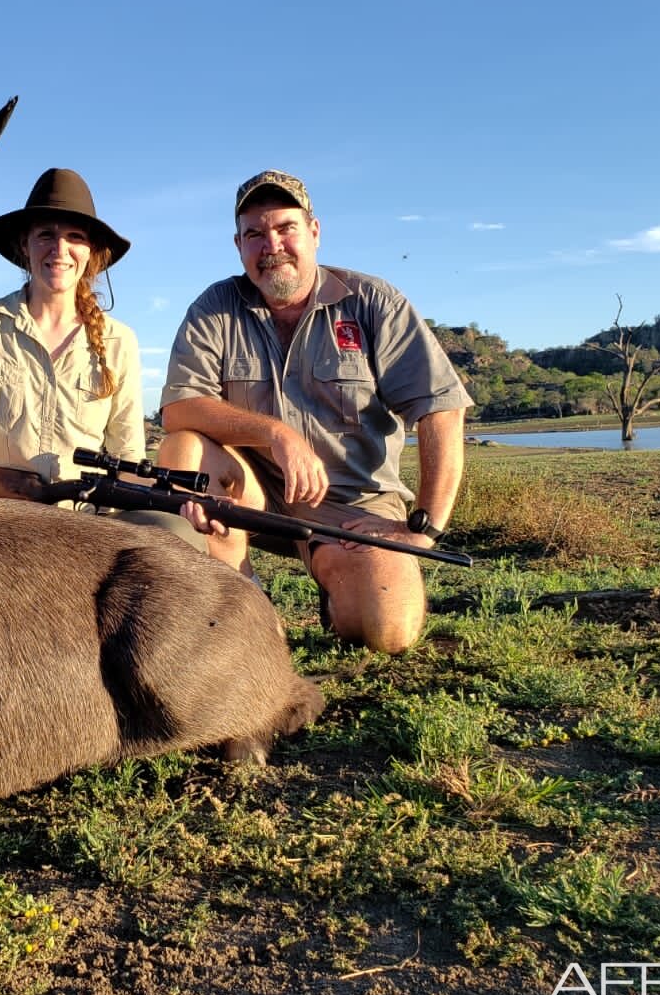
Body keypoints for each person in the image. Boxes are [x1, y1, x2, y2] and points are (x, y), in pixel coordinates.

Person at [157, 170, 472, 653]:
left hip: (352, 506)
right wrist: (277, 435)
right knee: (182, 450)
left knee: (385, 630)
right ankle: (244, 600)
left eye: (286, 228)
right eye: (256, 234)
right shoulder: (215, 305)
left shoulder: (373, 302)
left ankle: (339, 593)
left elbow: (441, 410)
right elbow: (179, 410)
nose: (272, 245)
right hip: (254, 495)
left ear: (314, 232)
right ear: (238, 244)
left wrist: (424, 527)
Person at [0, 167, 169, 520]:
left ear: (91, 253)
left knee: (179, 531)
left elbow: (127, 454)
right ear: (24, 246)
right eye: (46, 235)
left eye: (75, 237)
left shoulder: (120, 340)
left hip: (86, 523)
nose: (60, 249)